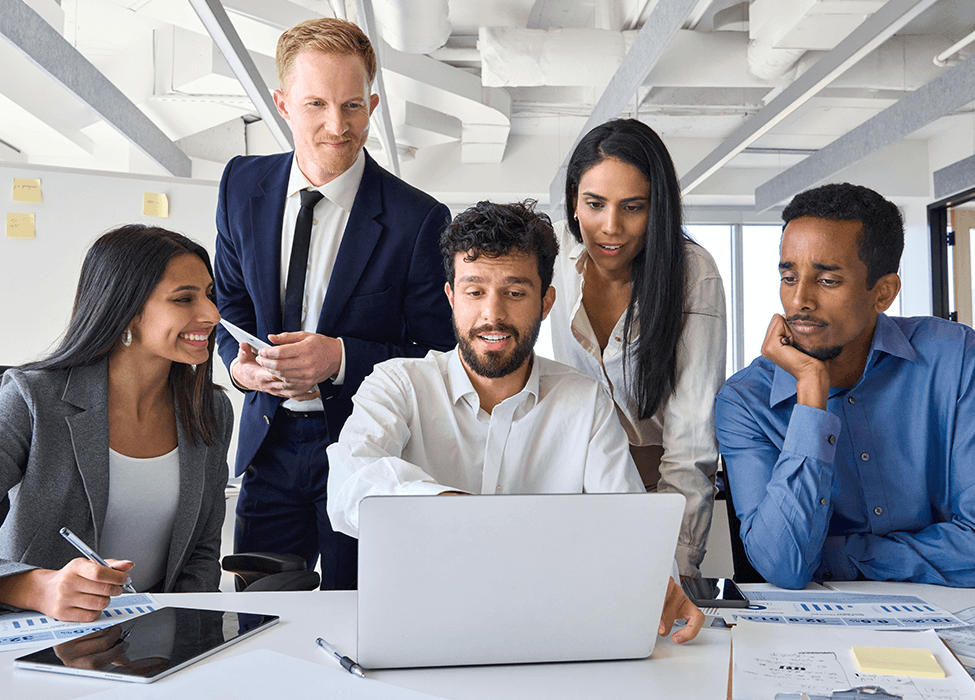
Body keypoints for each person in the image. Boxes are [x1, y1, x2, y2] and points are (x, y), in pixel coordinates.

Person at [327, 200, 704, 644]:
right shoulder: (397, 383)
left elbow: (625, 521)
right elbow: (350, 482)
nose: (493, 314)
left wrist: (657, 582)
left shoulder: (583, 401)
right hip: (421, 628)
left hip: (549, 630)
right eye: (474, 291)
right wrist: (455, 510)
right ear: (450, 297)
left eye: (515, 291)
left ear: (546, 302)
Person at [214, 18, 454, 590]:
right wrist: (239, 366)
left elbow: (438, 352)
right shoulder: (239, 186)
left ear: (372, 103)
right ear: (282, 103)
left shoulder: (419, 219)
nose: (337, 125)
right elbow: (229, 303)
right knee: (260, 618)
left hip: (367, 449)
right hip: (267, 448)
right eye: (316, 104)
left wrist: (341, 358)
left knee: (361, 614)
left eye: (352, 105)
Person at [715, 182, 975, 589]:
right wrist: (810, 397)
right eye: (788, 276)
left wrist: (841, 554)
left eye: (827, 281)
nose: (799, 300)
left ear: (883, 293)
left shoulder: (955, 358)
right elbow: (783, 565)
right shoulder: (746, 400)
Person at [0, 225, 231, 622]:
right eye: (184, 299)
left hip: (158, 638)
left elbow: (202, 553)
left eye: (209, 295)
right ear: (126, 310)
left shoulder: (208, 408)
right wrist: (36, 586)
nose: (211, 314)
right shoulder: (30, 398)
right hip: (43, 634)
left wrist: (183, 634)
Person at [550, 119, 726, 577]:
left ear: (658, 209)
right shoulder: (554, 265)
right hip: (572, 500)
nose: (611, 227)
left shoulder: (693, 273)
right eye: (594, 204)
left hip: (659, 497)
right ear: (573, 202)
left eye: (633, 207)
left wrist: (676, 563)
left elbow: (692, 439)